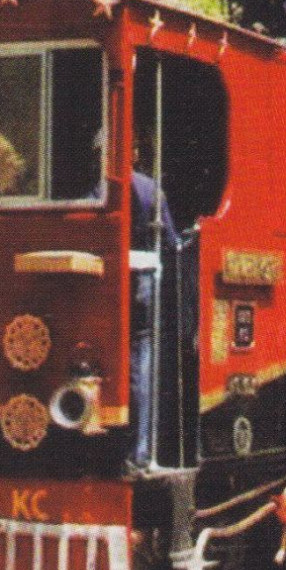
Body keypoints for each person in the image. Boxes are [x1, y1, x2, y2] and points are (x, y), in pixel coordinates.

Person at [129, 144, 177, 471]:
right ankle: (141, 451)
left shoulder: (94, 188)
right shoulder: (150, 189)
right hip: (143, 279)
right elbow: (172, 239)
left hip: (117, 279)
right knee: (143, 362)